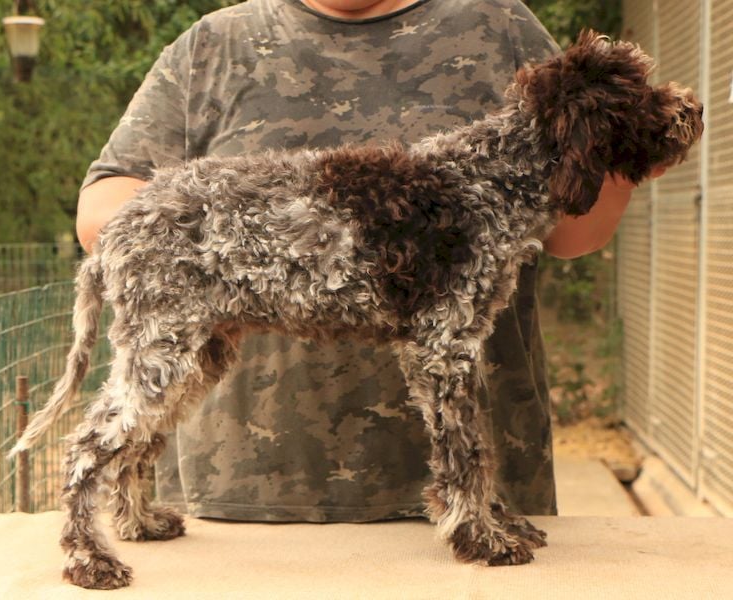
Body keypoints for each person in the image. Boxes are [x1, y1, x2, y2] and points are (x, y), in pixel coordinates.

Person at [76, 0, 641, 522]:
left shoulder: (501, 26)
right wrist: (273, 236)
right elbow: (101, 211)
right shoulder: (213, 45)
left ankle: (466, 502)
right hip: (242, 497)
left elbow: (571, 231)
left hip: (489, 505)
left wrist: (623, 154)